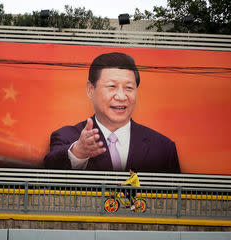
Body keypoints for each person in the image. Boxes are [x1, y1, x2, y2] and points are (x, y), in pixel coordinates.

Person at [44, 52, 180, 173]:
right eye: (112, 86)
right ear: (90, 90)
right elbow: (49, 170)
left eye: (128, 88)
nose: (121, 96)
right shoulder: (66, 137)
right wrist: (78, 153)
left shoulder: (163, 148)